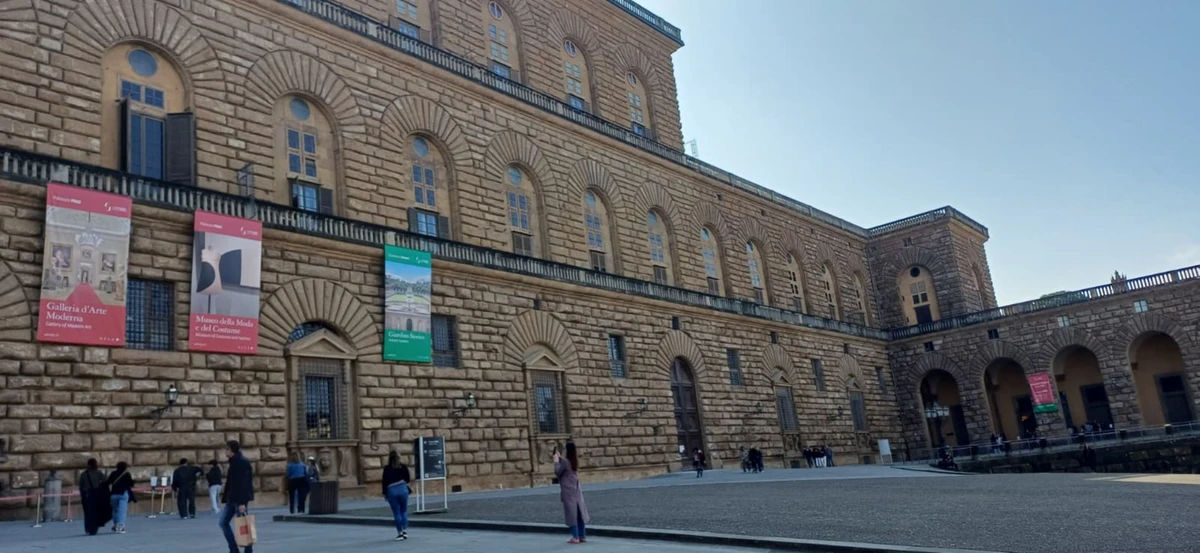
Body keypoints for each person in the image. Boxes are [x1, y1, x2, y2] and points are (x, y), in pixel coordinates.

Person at [219, 440, 254, 553]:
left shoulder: (242, 462)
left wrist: (242, 502)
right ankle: (234, 549)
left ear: (232, 450)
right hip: (231, 499)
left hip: (239, 500)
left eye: (227, 449)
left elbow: (244, 484)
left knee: (244, 525)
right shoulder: (234, 462)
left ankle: (248, 550)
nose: (225, 451)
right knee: (223, 523)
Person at [554, 443, 589, 544]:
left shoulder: (565, 462)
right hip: (576, 489)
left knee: (571, 513)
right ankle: (582, 535)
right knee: (579, 512)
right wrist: (560, 457)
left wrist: (556, 462)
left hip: (568, 491)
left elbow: (557, 472)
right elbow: (566, 464)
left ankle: (575, 537)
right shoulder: (574, 461)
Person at [381, 450, 412, 541]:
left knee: (396, 512)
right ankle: (405, 531)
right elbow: (408, 479)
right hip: (403, 489)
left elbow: (384, 482)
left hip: (391, 490)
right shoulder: (403, 466)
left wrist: (385, 493)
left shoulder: (387, 468)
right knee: (404, 510)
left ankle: (400, 533)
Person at [79, 458, 110, 535]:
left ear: (88, 465)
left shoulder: (84, 474)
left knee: (87, 513)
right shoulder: (99, 473)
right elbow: (105, 482)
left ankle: (88, 529)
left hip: (87, 495)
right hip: (97, 494)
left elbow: (81, 486)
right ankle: (94, 528)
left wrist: (83, 495)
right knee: (96, 512)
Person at [106, 461, 134, 534]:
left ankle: (115, 525)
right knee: (122, 510)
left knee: (115, 510)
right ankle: (120, 526)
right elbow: (131, 484)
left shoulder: (113, 473)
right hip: (123, 494)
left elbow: (108, 482)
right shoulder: (126, 474)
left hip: (113, 494)